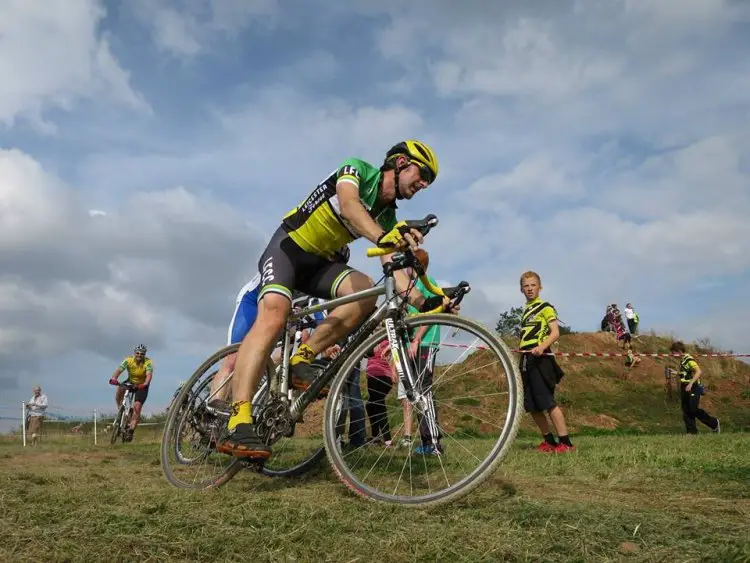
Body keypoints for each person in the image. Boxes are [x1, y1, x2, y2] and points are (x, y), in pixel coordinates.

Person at [217, 140, 451, 460]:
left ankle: (303, 357)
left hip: (319, 265)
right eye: (422, 174)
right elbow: (351, 207)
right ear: (399, 163)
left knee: (365, 292)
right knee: (274, 315)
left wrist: (425, 303)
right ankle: (238, 417)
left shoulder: (387, 214)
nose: (424, 184)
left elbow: (394, 271)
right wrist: (384, 237)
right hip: (289, 249)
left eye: (429, 181)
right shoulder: (357, 169)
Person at [518, 271, 573, 453]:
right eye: (526, 286)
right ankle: (549, 441)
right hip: (526, 358)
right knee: (531, 404)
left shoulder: (545, 307)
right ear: (521, 289)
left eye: (533, 285)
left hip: (541, 358)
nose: (530, 289)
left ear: (539, 287)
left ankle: (565, 442)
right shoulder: (525, 311)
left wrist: (542, 347)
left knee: (547, 402)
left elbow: (555, 332)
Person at [400, 248, 443, 455]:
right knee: (416, 391)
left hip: (426, 343)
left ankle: (434, 443)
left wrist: (417, 338)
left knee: (425, 389)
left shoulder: (428, 282)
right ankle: (426, 441)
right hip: (412, 345)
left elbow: (433, 311)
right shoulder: (409, 287)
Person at [670, 341, 720, 434]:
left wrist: (690, 384)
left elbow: (698, 372)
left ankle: (714, 423)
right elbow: (686, 373)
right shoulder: (683, 361)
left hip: (693, 387)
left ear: (679, 351)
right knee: (686, 409)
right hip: (684, 387)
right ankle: (691, 432)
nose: (672, 354)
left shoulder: (689, 360)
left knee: (693, 408)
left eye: (673, 352)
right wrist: (677, 373)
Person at [109, 344, 153, 442]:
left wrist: (145, 383)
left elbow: (149, 374)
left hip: (142, 385)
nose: (139, 355)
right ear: (134, 353)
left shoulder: (148, 362)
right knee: (119, 389)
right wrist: (114, 378)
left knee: (137, 406)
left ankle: (131, 430)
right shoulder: (128, 360)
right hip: (131, 381)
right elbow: (119, 369)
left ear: (144, 355)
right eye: (137, 353)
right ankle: (121, 409)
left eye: (142, 354)